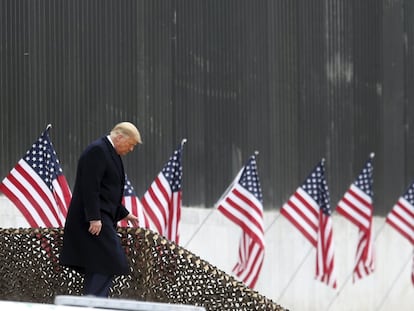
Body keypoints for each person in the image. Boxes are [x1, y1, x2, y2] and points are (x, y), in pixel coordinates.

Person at [60, 122, 142, 297]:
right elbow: (90, 187)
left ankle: (93, 301)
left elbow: (107, 192)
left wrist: (124, 213)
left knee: (100, 263)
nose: (131, 149)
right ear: (120, 137)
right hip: (93, 220)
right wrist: (94, 217)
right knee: (110, 259)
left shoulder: (111, 153)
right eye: (131, 144)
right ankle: (93, 303)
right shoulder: (98, 151)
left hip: (102, 217)